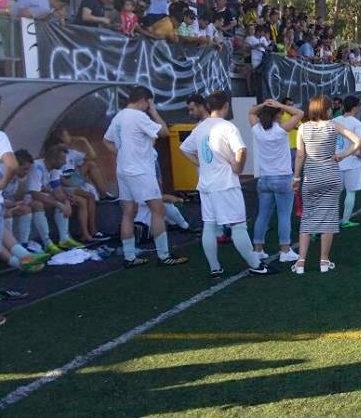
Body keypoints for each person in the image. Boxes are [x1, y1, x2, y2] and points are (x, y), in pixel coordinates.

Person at [180, 91, 277, 277]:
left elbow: (183, 148)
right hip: (225, 184)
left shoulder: (200, 128)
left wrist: (200, 163)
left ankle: (215, 268)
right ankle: (256, 265)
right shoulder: (226, 126)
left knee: (209, 225)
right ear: (225, 106)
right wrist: (238, 168)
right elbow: (241, 150)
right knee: (238, 226)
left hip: (206, 185)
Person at [103, 86, 188, 268]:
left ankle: (129, 257)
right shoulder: (138, 117)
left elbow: (106, 140)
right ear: (144, 101)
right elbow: (164, 132)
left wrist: (121, 154)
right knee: (158, 210)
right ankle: (164, 256)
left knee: (128, 213)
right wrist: (155, 112)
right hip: (141, 171)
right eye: (148, 103)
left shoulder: (119, 117)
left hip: (123, 170)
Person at [292, 95, 361, 275]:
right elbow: (358, 141)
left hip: (311, 177)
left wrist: (295, 178)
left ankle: (300, 262)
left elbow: (300, 156)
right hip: (331, 176)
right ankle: (324, 261)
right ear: (326, 110)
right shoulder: (333, 125)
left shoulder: (303, 128)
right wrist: (344, 154)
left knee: (307, 219)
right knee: (329, 220)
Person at [248, 98, 303, 262]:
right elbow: (300, 113)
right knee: (284, 215)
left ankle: (258, 250)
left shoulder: (257, 129)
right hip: (282, 178)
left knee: (263, 215)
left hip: (264, 179)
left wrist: (264, 105)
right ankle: (285, 251)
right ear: (277, 115)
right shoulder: (281, 130)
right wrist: (279, 105)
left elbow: (251, 112)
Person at [333, 95, 361, 228]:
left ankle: (332, 220)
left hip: (336, 161)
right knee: (350, 192)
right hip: (352, 161)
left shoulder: (334, 120)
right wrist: (360, 156)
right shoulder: (356, 123)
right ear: (354, 108)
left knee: (335, 194)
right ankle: (345, 220)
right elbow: (360, 144)